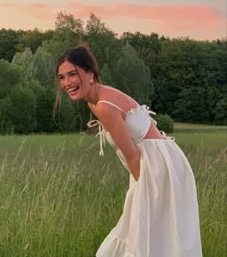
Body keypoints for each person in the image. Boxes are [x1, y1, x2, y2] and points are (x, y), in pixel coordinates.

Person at [55, 44, 203, 257]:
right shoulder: (94, 102)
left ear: (90, 73)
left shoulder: (104, 105)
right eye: (62, 77)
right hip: (155, 163)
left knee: (146, 232)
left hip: (158, 167)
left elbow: (133, 155)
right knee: (150, 234)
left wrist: (142, 191)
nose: (67, 83)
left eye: (72, 74)